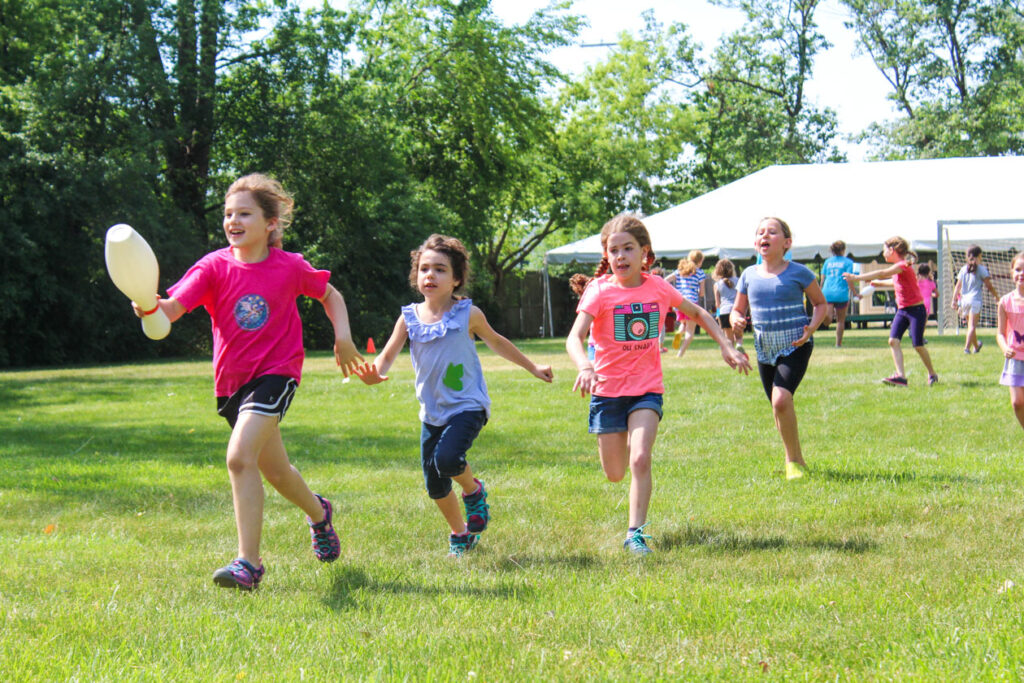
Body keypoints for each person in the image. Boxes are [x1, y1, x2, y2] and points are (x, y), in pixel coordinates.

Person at [137, 173, 363, 590]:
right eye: (227, 213)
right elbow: (171, 310)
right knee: (276, 473)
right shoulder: (212, 266)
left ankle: (249, 564)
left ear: (270, 223)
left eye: (244, 213)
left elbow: (331, 295)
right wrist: (148, 305)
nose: (232, 220)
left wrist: (344, 338)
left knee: (240, 457)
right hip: (231, 387)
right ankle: (319, 513)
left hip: (276, 374)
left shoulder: (289, 266)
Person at [354, 234, 553, 557]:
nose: (430, 275)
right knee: (435, 485)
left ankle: (473, 491)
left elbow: (497, 342)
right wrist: (375, 373)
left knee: (447, 460)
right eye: (424, 269)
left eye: (440, 269)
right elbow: (387, 356)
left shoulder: (467, 314)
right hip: (432, 412)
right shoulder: (408, 318)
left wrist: (532, 367)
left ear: (456, 278)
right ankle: (460, 533)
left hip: (467, 406)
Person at [567, 215, 750, 555]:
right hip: (606, 392)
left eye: (628, 249)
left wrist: (726, 347)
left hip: (646, 389)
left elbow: (699, 314)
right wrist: (585, 364)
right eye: (614, 250)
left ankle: (635, 532)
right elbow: (575, 337)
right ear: (607, 255)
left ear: (644, 252)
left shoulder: (658, 287)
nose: (621, 256)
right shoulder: (600, 290)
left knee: (640, 459)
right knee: (615, 473)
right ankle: (620, 456)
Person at [730, 217, 826, 481]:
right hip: (765, 350)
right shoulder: (748, 275)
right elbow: (738, 309)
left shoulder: (800, 272)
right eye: (760, 232)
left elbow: (820, 304)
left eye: (772, 232)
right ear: (755, 243)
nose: (765, 235)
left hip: (796, 345)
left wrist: (811, 328)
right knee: (778, 407)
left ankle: (792, 462)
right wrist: (735, 319)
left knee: (781, 399)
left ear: (786, 243)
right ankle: (797, 459)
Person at [844, 236, 938, 387]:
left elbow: (882, 272)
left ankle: (932, 373)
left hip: (916, 310)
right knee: (893, 341)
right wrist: (878, 283)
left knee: (918, 345)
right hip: (903, 310)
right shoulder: (899, 267)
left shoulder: (902, 265)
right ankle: (901, 377)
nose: (883, 253)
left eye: (884, 250)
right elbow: (894, 281)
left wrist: (856, 277)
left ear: (892, 250)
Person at [952, 245, 1000, 354]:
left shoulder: (963, 269)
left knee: (970, 326)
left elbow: (957, 286)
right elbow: (989, 286)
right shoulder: (981, 269)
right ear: (978, 256)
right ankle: (966, 348)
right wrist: (996, 297)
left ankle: (976, 346)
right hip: (975, 300)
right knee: (972, 326)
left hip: (964, 301)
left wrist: (954, 300)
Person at [996, 252, 1024, 430]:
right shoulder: (1005, 302)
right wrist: (1005, 347)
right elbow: (1000, 333)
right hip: (1014, 359)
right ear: (1011, 272)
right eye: (1018, 269)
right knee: (1017, 402)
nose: (1021, 273)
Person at [664, 250, 707, 357]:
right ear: (700, 261)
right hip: (691, 303)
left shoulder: (680, 270)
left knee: (684, 324)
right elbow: (702, 293)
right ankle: (680, 353)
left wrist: (672, 292)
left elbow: (665, 280)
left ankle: (679, 332)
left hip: (679, 302)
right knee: (690, 332)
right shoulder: (700, 273)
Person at [820, 240, 857, 347]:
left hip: (828, 292)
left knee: (827, 320)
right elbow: (849, 279)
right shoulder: (848, 262)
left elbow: (822, 279)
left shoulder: (827, 262)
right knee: (841, 321)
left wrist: (819, 293)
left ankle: (824, 317)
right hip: (842, 293)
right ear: (843, 250)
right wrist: (854, 293)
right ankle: (838, 344)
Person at [712, 258, 740, 348]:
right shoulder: (738, 280)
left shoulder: (717, 284)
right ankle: (739, 345)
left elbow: (717, 303)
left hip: (724, 311)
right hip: (736, 311)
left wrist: (718, 314)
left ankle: (732, 354)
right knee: (738, 334)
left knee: (728, 338)